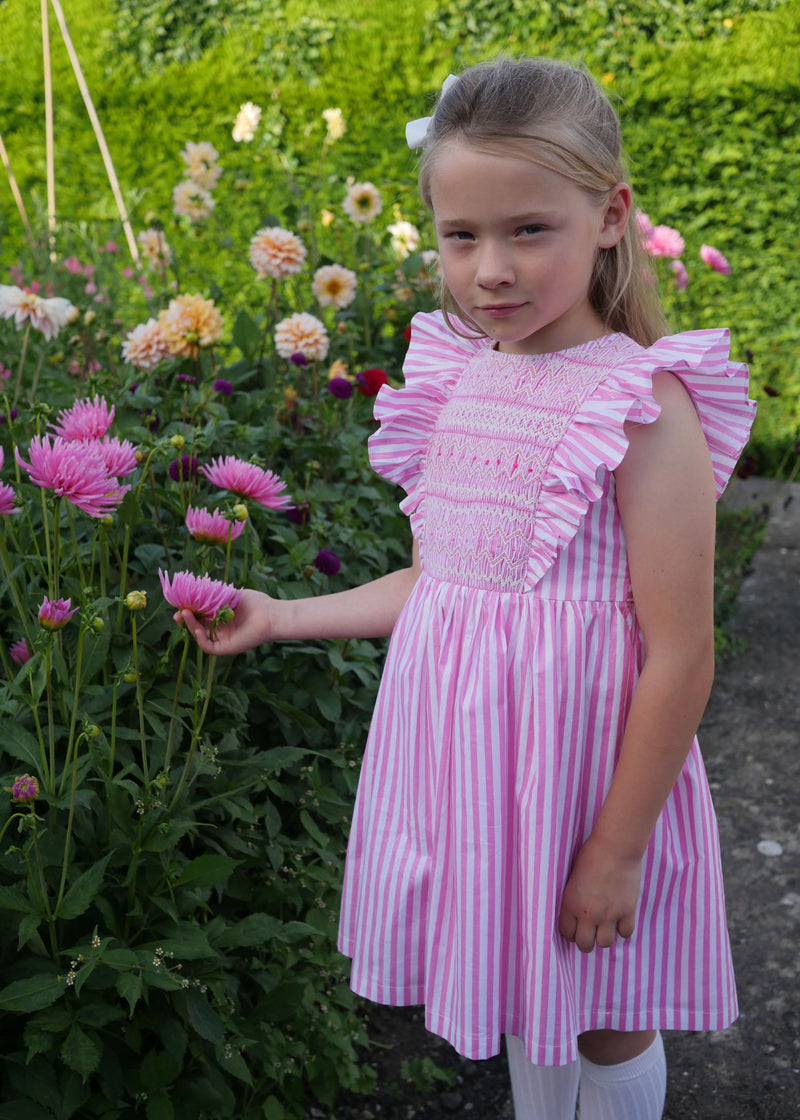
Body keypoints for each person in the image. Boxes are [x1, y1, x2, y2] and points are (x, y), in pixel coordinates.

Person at [177, 56, 756, 1120]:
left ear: (610, 215)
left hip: (585, 771)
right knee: (526, 991)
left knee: (601, 1000)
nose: (490, 268)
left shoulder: (639, 405)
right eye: (461, 235)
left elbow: (680, 650)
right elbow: (447, 580)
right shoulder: (461, 372)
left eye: (528, 229)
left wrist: (616, 848)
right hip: (474, 764)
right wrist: (283, 617)